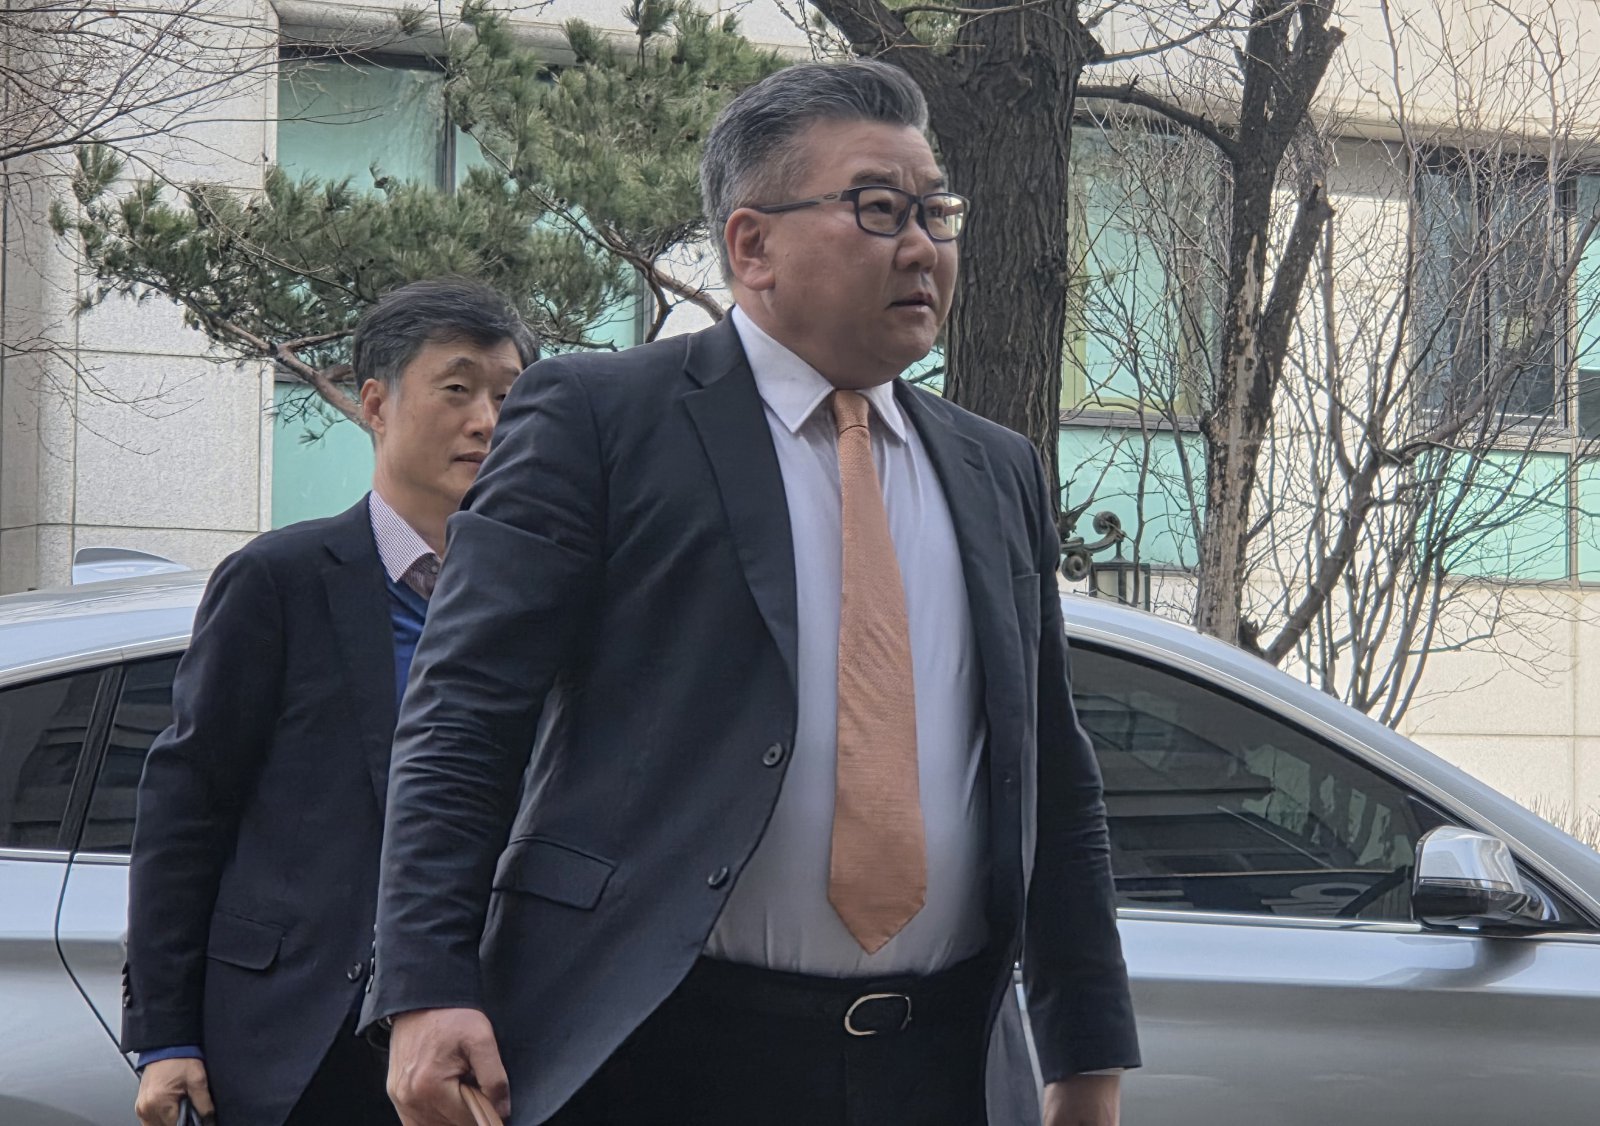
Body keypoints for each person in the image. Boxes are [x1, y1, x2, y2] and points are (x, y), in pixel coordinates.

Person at [365, 61, 1139, 1126]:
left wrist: (1086, 1059)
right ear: (751, 246)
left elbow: (1051, 774)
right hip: (664, 1051)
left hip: (941, 1061)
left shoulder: (995, 468)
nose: (922, 246)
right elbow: (463, 717)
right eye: (878, 208)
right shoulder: (601, 420)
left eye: (937, 213)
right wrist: (426, 986)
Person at [120, 278, 536, 1126]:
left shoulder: (543, 597)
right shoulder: (280, 581)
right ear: (376, 404)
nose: (486, 421)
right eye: (458, 389)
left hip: (486, 1038)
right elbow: (187, 808)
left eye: (507, 396)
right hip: (294, 1037)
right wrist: (165, 1035)